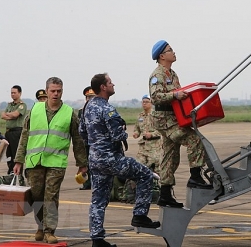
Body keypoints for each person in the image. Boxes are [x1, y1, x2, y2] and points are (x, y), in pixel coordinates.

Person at [80, 73, 160, 247]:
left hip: (95, 159)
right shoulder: (107, 108)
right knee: (145, 175)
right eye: (110, 82)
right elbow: (118, 135)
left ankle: (97, 239)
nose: (113, 84)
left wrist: (95, 144)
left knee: (98, 200)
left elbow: (82, 133)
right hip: (111, 158)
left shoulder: (87, 107)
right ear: (103, 87)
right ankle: (140, 215)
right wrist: (123, 129)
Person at [13, 77, 88, 244]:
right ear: (46, 91)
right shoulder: (35, 110)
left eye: (59, 91)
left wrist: (82, 164)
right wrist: (18, 160)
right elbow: (24, 136)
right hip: (35, 161)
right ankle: (40, 226)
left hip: (56, 162)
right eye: (52, 91)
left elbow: (78, 140)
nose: (56, 94)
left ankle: (49, 231)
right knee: (36, 195)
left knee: (51, 196)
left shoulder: (69, 113)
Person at [149, 40, 212, 209]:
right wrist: (175, 95)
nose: (174, 52)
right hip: (164, 119)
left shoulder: (173, 74)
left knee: (170, 156)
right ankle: (195, 177)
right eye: (170, 50)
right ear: (162, 56)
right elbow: (155, 97)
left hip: (173, 117)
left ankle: (165, 194)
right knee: (193, 139)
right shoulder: (158, 75)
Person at [1, 85, 27, 176]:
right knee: (9, 154)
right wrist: (10, 115)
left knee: (17, 154)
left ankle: (18, 174)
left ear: (19, 93)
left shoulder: (22, 105)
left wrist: (9, 115)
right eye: (11, 93)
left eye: (14, 93)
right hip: (8, 132)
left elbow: (16, 115)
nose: (12, 94)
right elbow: (2, 115)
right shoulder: (9, 105)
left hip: (17, 132)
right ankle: (10, 172)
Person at [132, 94, 162, 174]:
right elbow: (137, 128)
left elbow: (161, 130)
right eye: (143, 102)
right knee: (139, 165)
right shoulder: (140, 116)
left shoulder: (156, 115)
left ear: (151, 103)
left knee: (156, 168)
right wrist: (136, 133)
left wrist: (152, 134)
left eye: (146, 102)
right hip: (143, 146)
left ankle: (158, 185)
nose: (144, 104)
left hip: (154, 146)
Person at [78, 86, 95, 191]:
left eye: (92, 97)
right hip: (85, 141)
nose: (90, 99)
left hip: (95, 141)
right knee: (85, 163)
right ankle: (86, 184)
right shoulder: (81, 111)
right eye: (89, 97)